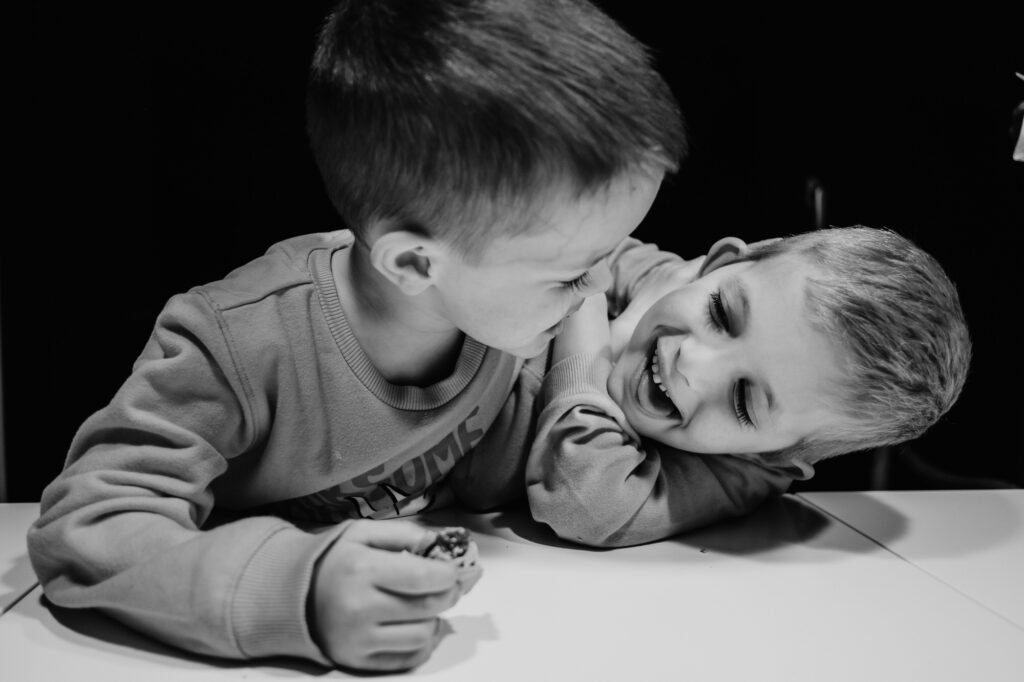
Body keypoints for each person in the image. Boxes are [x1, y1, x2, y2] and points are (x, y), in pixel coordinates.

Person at [26, 0, 684, 673]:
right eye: (575, 275)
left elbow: (635, 267)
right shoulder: (236, 342)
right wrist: (300, 592)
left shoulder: (503, 286)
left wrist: (683, 285)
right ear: (415, 264)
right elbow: (86, 527)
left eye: (610, 255)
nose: (599, 292)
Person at [523, 226, 972, 547]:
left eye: (743, 399)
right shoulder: (668, 278)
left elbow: (585, 502)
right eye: (720, 315)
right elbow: (554, 227)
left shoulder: (745, 471)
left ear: (775, 458)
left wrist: (591, 309)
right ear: (716, 265)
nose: (692, 364)